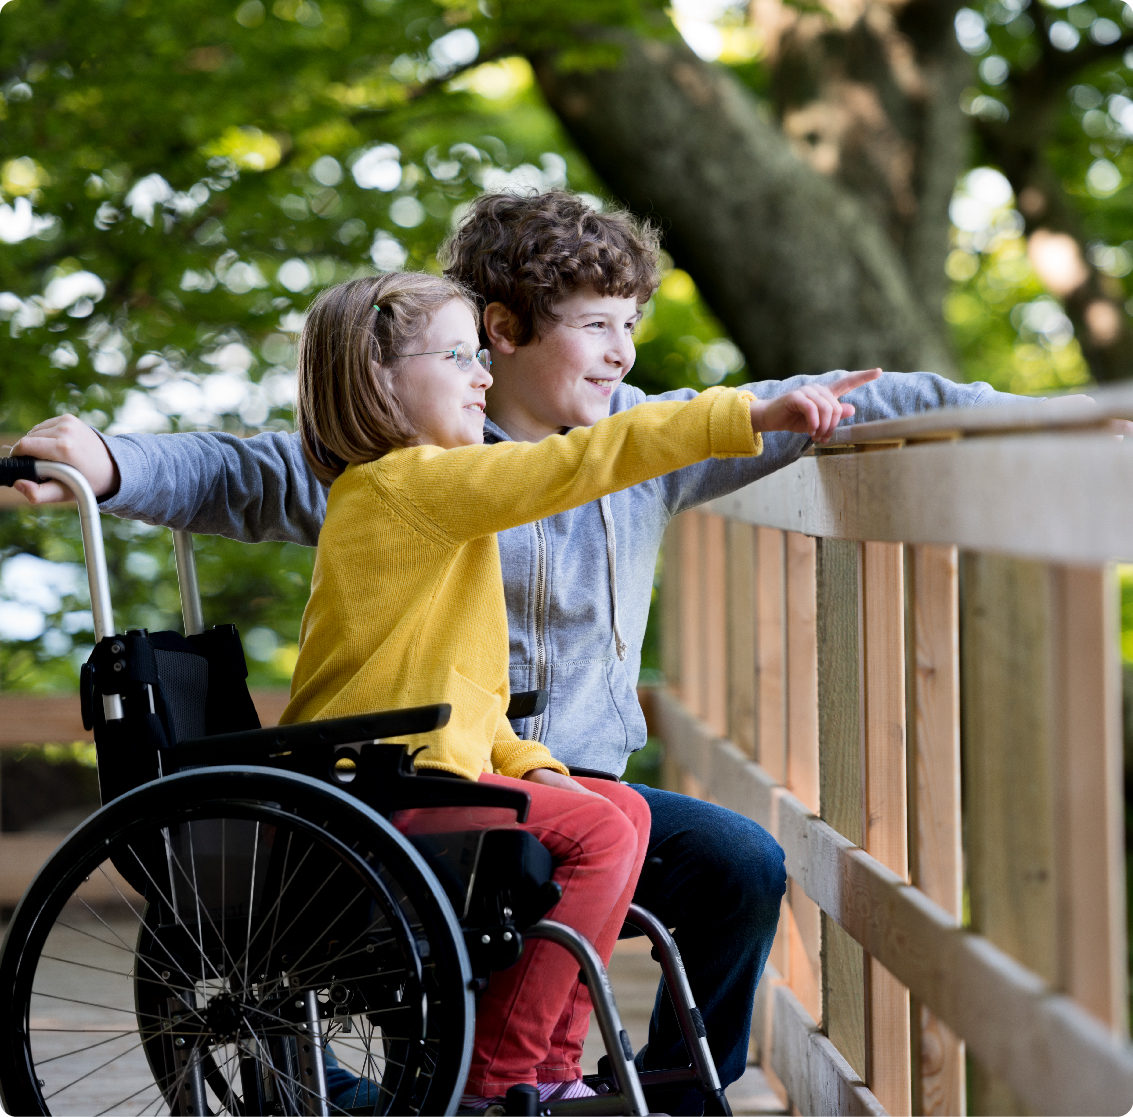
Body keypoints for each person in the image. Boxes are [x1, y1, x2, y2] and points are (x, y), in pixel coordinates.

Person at [13, 190, 1017, 1114]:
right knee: (525, 868)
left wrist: (1007, 418)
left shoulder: (642, 442)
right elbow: (231, 468)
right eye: (595, 324)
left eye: (631, 325)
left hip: (550, 775)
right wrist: (111, 462)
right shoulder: (397, 460)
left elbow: (828, 398)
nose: (623, 352)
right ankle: (480, 1083)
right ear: (501, 329)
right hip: (424, 789)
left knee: (739, 862)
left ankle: (667, 1089)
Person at [272, 268, 873, 1108]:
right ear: (381, 379)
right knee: (598, 828)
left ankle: (550, 1069)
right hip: (372, 792)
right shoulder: (402, 485)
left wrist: (532, 761)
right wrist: (737, 416)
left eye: (481, 355)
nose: (482, 375)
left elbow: (462, 690)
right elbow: (579, 463)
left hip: (417, 769)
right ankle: (503, 1073)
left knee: (614, 810)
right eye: (457, 356)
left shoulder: (430, 500)